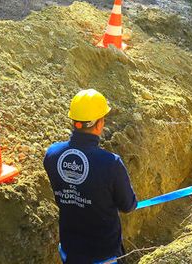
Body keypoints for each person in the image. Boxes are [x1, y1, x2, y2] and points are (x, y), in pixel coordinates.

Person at [44, 89, 137, 264]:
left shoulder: (52, 154)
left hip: (69, 250)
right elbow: (128, 205)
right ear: (99, 124)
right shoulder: (110, 163)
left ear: (74, 121)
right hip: (103, 254)